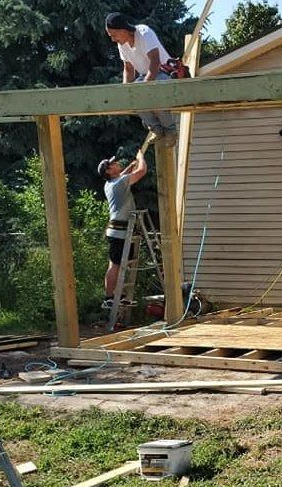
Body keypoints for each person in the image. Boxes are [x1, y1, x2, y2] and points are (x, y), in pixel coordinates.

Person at [105, 12, 177, 143]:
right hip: (146, 75)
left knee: (156, 96)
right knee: (134, 96)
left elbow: (155, 61)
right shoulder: (122, 45)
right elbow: (128, 68)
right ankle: (156, 129)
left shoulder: (144, 33)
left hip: (164, 71)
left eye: (114, 35)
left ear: (123, 30)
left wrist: (145, 87)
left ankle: (170, 130)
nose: (113, 39)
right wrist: (126, 90)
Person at [97, 150, 148, 309]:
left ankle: (117, 296)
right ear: (108, 170)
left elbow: (121, 177)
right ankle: (109, 297)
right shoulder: (119, 183)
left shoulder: (111, 183)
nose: (116, 163)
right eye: (112, 164)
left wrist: (129, 167)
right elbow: (142, 172)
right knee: (115, 265)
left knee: (120, 264)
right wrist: (140, 159)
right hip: (119, 231)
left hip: (120, 230)